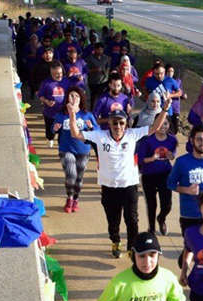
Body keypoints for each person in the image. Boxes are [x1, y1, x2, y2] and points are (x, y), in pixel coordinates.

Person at [68, 96, 171, 258]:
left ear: (126, 124)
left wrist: (164, 109)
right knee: (113, 220)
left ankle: (132, 247)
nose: (118, 126)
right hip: (108, 187)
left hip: (129, 185)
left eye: (121, 123)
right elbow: (75, 133)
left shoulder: (133, 134)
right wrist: (72, 114)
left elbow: (155, 127)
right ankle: (115, 241)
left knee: (132, 220)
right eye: (114, 122)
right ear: (109, 123)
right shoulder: (99, 136)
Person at [167, 125, 203, 266]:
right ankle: (186, 267)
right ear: (192, 140)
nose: (202, 143)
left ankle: (200, 279)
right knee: (191, 248)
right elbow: (170, 183)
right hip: (189, 214)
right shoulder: (182, 162)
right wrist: (187, 190)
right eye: (199, 139)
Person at [52, 87, 98, 213]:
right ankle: (69, 198)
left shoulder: (86, 115)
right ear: (67, 98)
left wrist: (91, 127)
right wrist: (55, 128)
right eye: (71, 95)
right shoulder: (61, 114)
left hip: (83, 150)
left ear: (80, 98)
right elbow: (52, 130)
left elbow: (97, 131)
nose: (74, 98)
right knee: (71, 175)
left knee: (79, 177)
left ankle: (76, 199)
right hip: (66, 149)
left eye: (76, 96)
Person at [137, 115, 177, 235]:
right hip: (149, 175)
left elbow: (173, 153)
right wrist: (152, 158)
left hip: (165, 174)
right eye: (160, 123)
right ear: (155, 124)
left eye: (166, 124)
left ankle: (161, 218)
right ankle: (152, 229)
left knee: (167, 204)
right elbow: (140, 160)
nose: (163, 127)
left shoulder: (172, 139)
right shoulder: (147, 139)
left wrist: (172, 156)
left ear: (169, 125)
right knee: (151, 204)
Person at [37, 61, 70, 148]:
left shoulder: (66, 82)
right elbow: (40, 95)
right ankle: (50, 138)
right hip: (50, 113)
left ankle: (61, 147)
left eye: (60, 73)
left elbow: (71, 93)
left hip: (63, 112)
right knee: (50, 131)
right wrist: (47, 101)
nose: (59, 75)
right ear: (52, 74)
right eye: (56, 74)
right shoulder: (46, 83)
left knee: (62, 132)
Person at [87, 42, 110, 106]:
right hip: (93, 81)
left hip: (103, 81)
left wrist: (106, 71)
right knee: (94, 96)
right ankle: (92, 109)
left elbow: (108, 66)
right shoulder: (90, 58)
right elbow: (86, 70)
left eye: (101, 49)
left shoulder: (105, 57)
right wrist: (94, 70)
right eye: (98, 49)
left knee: (102, 96)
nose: (99, 51)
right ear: (95, 49)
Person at [165, 64, 185, 135]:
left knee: (175, 127)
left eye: (172, 71)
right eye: (168, 71)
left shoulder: (178, 81)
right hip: (167, 107)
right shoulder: (164, 81)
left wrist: (182, 95)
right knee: (167, 126)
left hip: (176, 107)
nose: (170, 73)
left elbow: (180, 92)